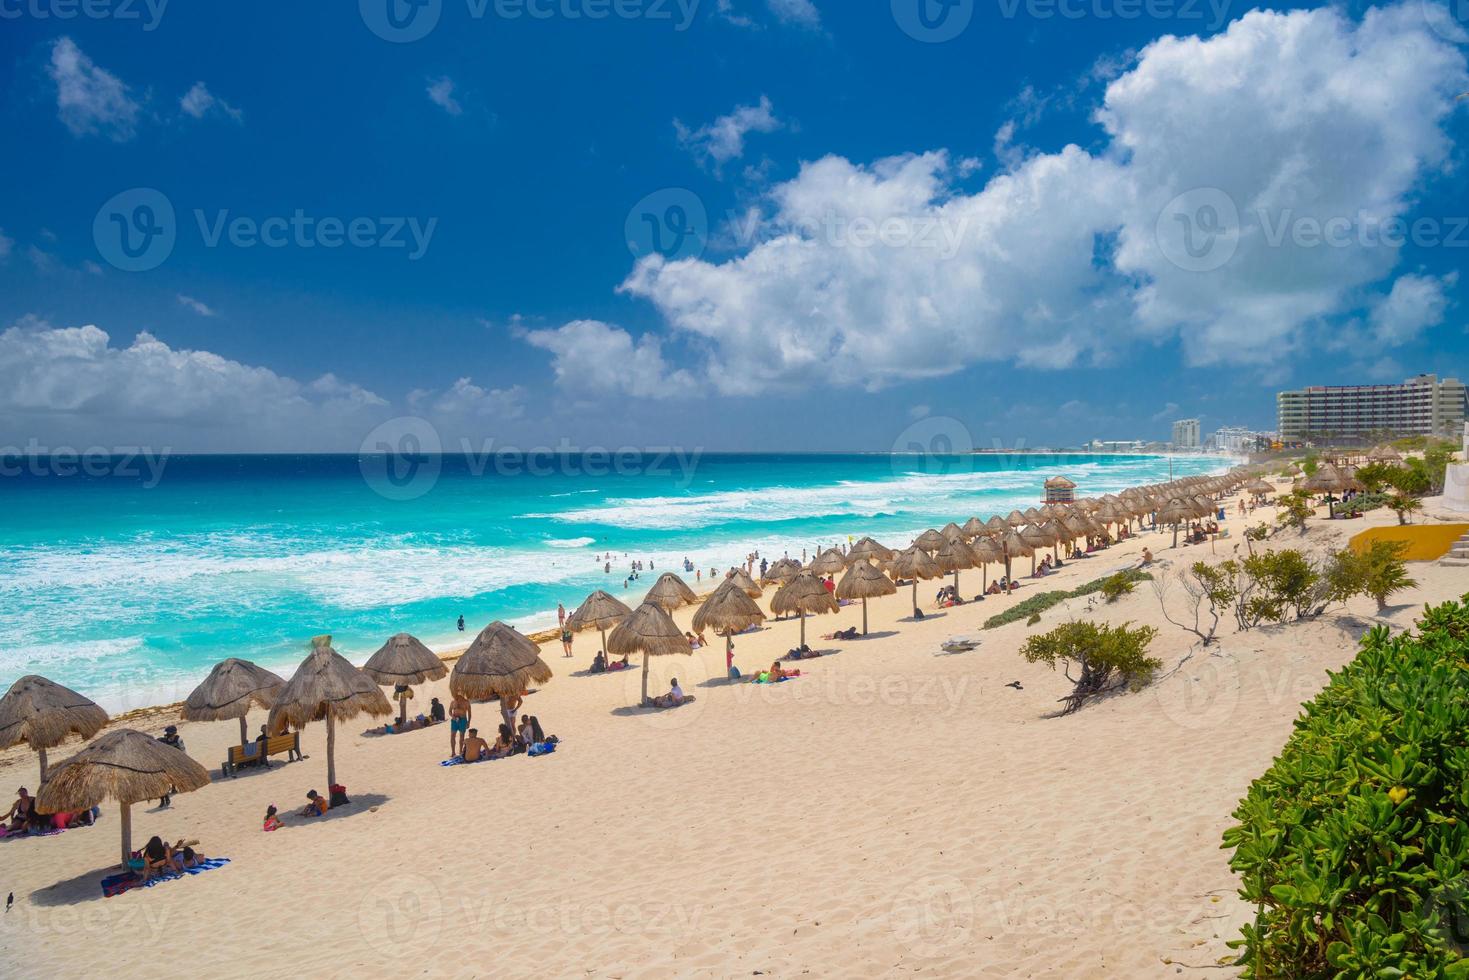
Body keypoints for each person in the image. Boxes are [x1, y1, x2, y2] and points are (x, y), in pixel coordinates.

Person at [157, 725, 185, 807]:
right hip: (168, 760)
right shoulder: (165, 740)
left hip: (176, 759)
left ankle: (173, 788)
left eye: (168, 733)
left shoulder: (178, 740)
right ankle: (171, 788)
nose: (167, 734)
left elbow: (183, 750)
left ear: (173, 733)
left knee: (174, 775)